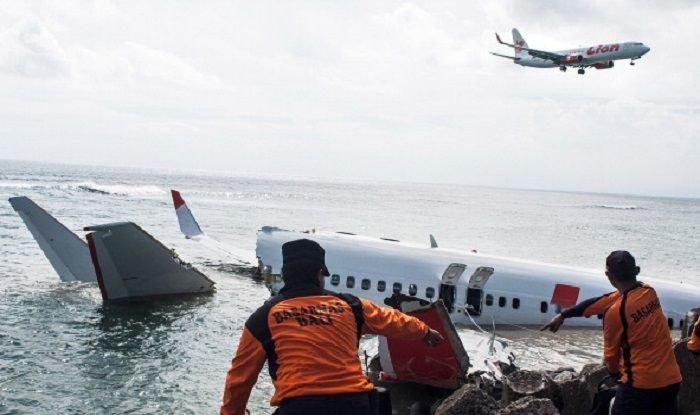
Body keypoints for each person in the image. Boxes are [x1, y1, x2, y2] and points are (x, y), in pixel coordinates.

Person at [220, 238, 444, 415]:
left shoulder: (263, 317)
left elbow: (240, 379)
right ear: (319, 274)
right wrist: (425, 331)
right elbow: (392, 320)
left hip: (300, 407)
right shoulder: (351, 306)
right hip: (355, 404)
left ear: (286, 275)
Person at [542, 250, 682, 415]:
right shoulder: (648, 291)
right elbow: (600, 302)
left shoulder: (615, 313)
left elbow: (610, 356)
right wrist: (564, 315)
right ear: (636, 271)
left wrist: (615, 375)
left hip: (640, 385)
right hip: (671, 379)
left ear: (608, 276)